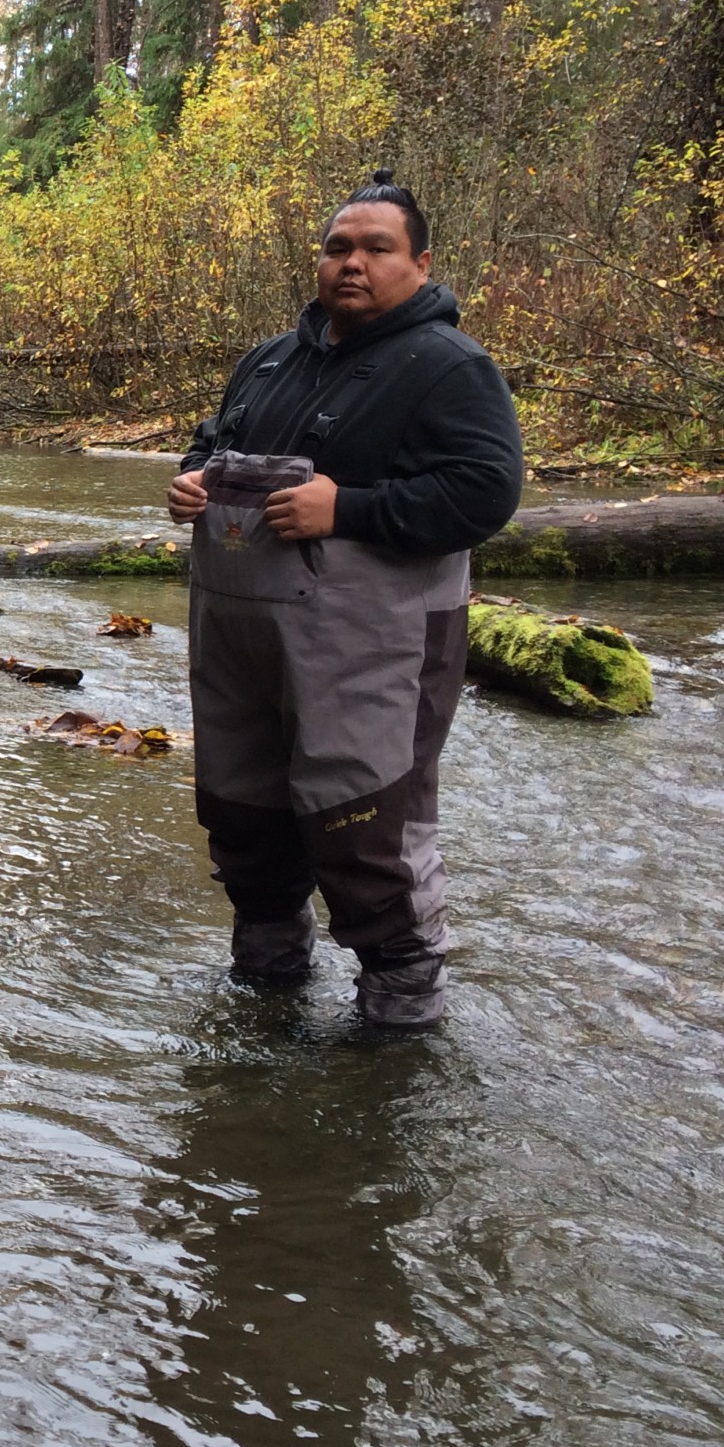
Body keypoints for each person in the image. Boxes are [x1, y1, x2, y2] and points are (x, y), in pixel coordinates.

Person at [169, 171, 524, 1027]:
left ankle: (398, 1025)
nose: (352, 263)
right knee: (241, 807)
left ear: (421, 262)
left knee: (361, 820)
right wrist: (190, 477)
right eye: (338, 247)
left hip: (378, 641)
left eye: (376, 248)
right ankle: (267, 977)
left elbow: (486, 493)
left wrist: (350, 509)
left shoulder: (450, 369)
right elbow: (214, 441)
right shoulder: (269, 360)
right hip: (241, 632)